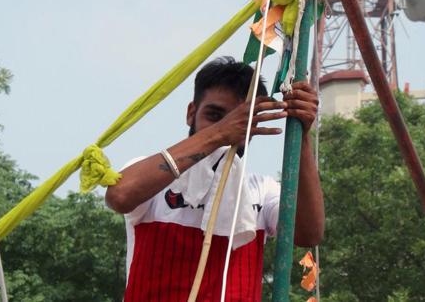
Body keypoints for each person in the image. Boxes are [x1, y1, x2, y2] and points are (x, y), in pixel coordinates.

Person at [105, 56, 325, 301]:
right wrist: (219, 133)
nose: (232, 127)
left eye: (243, 121)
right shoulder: (154, 177)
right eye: (214, 115)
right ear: (191, 113)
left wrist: (302, 135)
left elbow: (308, 234)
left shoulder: (262, 190)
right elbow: (120, 195)